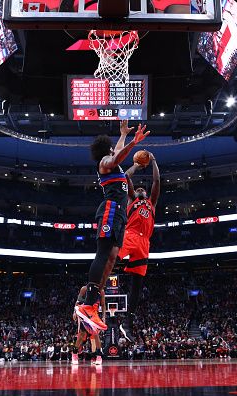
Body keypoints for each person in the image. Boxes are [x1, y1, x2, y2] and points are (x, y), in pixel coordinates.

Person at [75, 121, 150, 333]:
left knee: (113, 256)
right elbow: (117, 155)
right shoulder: (104, 162)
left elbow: (118, 154)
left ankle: (94, 303)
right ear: (105, 151)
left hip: (120, 216)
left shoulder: (115, 166)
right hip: (110, 209)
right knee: (103, 252)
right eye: (112, 147)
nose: (114, 148)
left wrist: (123, 134)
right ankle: (88, 303)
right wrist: (134, 142)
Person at [117, 152, 160, 342]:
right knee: (109, 260)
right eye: (139, 188)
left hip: (144, 243)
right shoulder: (132, 199)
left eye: (144, 188)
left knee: (137, 285)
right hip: (130, 235)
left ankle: (127, 323)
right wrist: (136, 165)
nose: (142, 189)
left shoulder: (152, 203)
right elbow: (125, 177)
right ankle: (89, 301)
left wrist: (154, 161)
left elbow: (157, 182)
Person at [72, 286, 105, 365]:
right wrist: (74, 312)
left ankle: (98, 356)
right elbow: (77, 302)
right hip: (83, 313)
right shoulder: (84, 289)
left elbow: (103, 305)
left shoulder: (101, 291)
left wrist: (103, 316)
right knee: (81, 335)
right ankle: (74, 353)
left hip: (94, 314)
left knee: (96, 334)